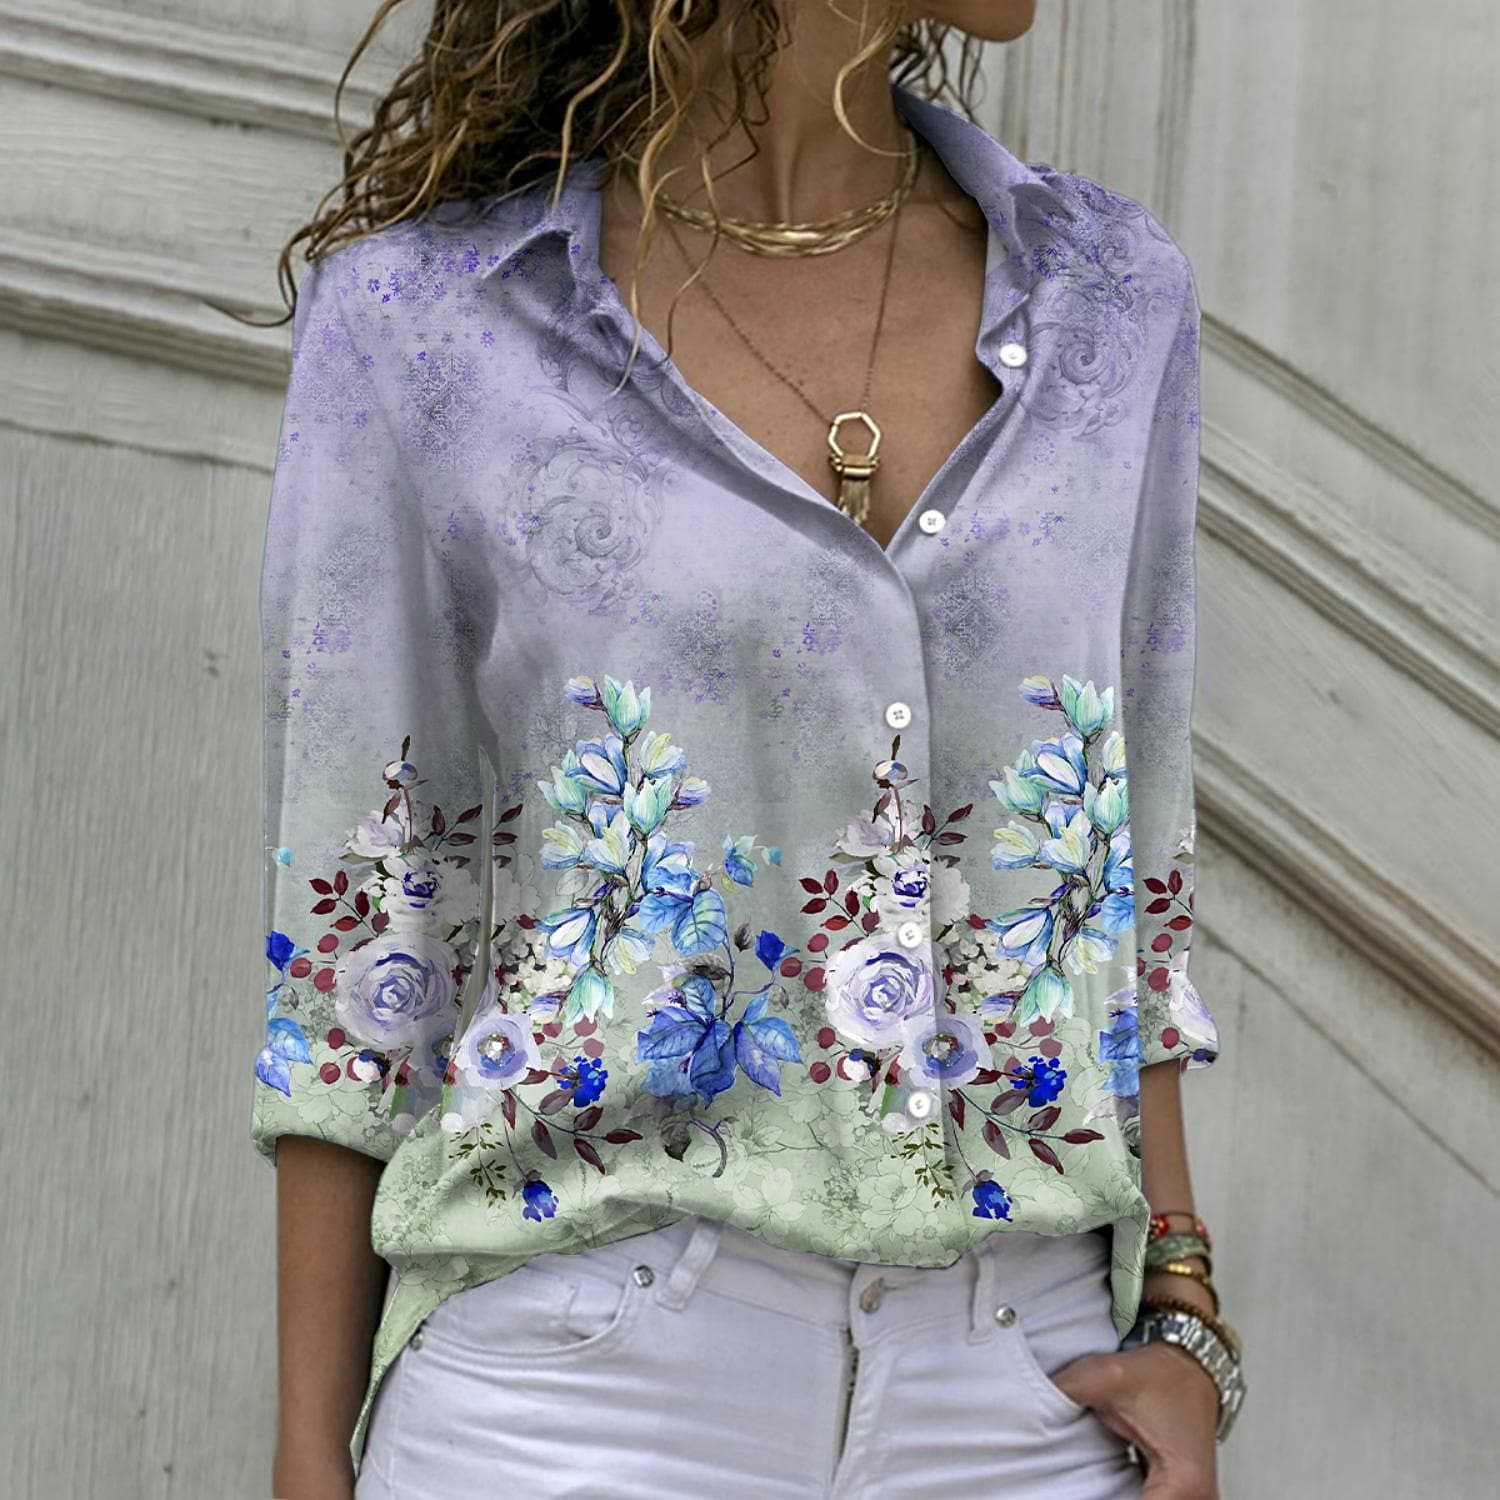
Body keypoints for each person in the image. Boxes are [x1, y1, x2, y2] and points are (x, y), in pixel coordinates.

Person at [253, 1, 1246, 1496]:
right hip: (577, 1399)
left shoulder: (1113, 294)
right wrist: (305, 1454)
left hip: (1026, 1398)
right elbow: (362, 939)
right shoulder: (428, 323)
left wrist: (1182, 1304)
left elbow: (1130, 863)